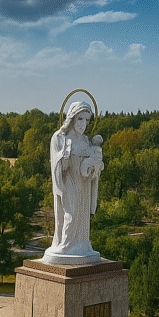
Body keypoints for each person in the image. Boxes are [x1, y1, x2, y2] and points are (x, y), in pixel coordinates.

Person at [43, 100, 104, 262]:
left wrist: (95, 165)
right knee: (71, 213)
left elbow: (94, 165)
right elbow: (56, 166)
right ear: (72, 118)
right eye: (80, 119)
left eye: (87, 120)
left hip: (84, 184)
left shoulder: (86, 140)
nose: (83, 124)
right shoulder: (59, 137)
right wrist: (65, 156)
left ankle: (82, 244)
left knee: (82, 216)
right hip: (68, 183)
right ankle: (65, 244)